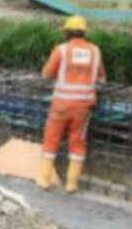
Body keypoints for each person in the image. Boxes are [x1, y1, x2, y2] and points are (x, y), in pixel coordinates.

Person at [37, 15, 106, 193]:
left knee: (51, 139)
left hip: (61, 105)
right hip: (84, 107)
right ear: (84, 33)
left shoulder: (62, 50)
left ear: (67, 32)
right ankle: (71, 184)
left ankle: (44, 180)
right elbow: (102, 78)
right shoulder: (95, 51)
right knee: (77, 142)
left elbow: (46, 74)